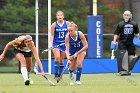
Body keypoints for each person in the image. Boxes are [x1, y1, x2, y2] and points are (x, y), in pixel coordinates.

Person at [111, 10, 140, 76]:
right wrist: (114, 41)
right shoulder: (120, 24)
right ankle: (123, 71)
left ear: (130, 16)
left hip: (131, 43)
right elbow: (116, 34)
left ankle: (127, 70)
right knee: (123, 57)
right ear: (123, 16)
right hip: (122, 43)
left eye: (128, 15)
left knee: (132, 58)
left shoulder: (134, 24)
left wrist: (137, 39)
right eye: (125, 15)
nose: (126, 16)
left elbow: (137, 34)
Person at [50, 10, 70, 80]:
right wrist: (51, 44)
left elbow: (72, 29)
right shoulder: (54, 25)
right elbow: (52, 35)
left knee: (61, 61)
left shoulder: (67, 23)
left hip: (64, 44)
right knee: (57, 58)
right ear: (56, 17)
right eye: (58, 15)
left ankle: (60, 75)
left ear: (63, 16)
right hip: (56, 44)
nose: (60, 17)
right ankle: (55, 74)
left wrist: (68, 36)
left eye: (61, 15)